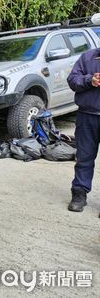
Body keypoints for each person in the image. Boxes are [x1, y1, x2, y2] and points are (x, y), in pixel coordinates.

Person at [66, 47, 100, 214]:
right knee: (84, 157)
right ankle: (79, 194)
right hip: (87, 116)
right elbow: (72, 80)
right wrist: (90, 80)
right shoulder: (88, 57)